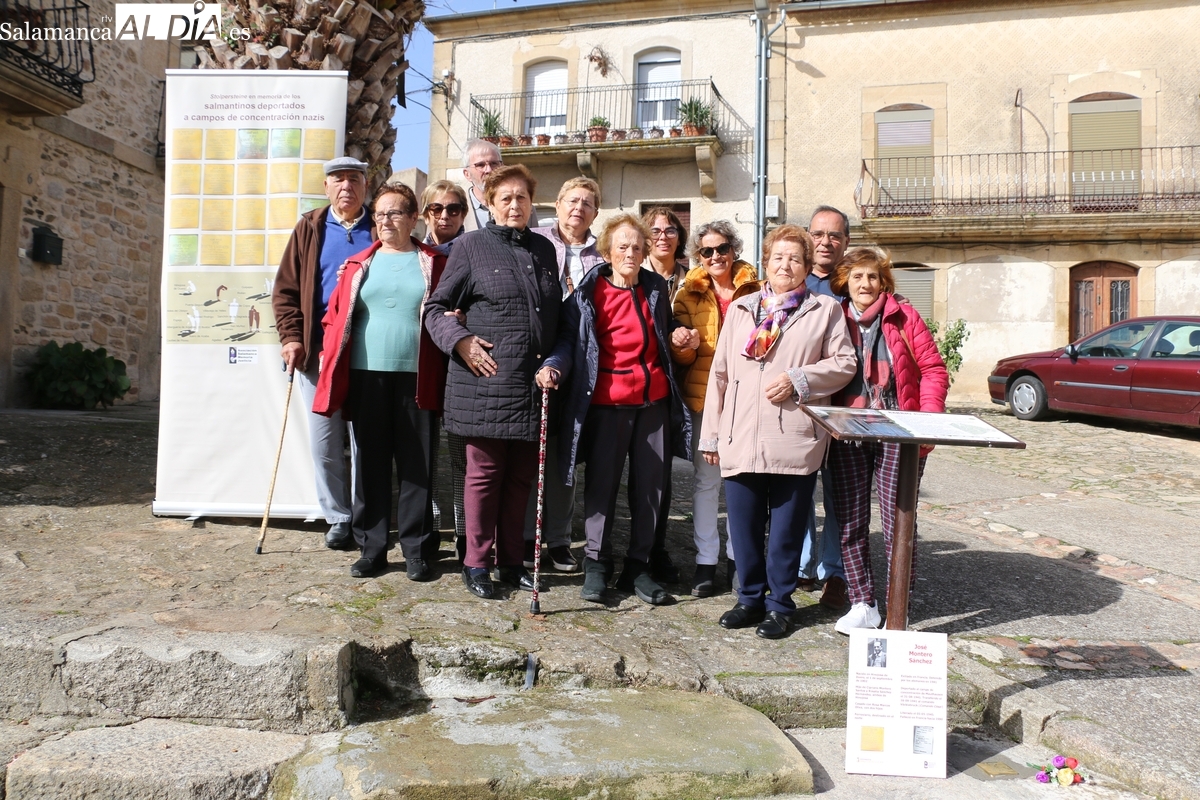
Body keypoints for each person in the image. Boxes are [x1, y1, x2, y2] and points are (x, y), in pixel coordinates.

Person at [698, 225, 856, 639]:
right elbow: (720, 375)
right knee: (743, 527)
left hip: (794, 438)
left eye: (795, 258)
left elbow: (844, 363)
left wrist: (798, 378)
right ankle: (749, 598)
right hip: (739, 434)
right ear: (765, 261)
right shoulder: (742, 308)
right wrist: (711, 434)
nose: (785, 265)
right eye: (778, 257)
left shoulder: (824, 310)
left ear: (806, 266)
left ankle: (780, 605)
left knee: (786, 532)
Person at [538, 214, 692, 606]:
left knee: (652, 487)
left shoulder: (655, 288)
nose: (631, 253)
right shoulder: (588, 294)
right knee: (602, 485)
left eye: (637, 247)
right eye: (622, 247)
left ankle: (638, 566)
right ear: (607, 252)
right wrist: (553, 366)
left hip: (653, 402)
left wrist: (677, 332)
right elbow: (569, 340)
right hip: (607, 403)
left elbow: (665, 328)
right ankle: (597, 564)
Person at [423, 164, 562, 600]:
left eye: (522, 197)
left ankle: (512, 562)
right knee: (483, 477)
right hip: (485, 384)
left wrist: (554, 361)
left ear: (531, 203)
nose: (515, 205)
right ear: (489, 203)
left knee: (521, 479)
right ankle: (476, 562)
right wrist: (461, 342)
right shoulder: (470, 246)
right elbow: (435, 309)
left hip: (531, 386)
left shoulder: (544, 249)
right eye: (506, 198)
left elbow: (553, 316)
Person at [312, 183, 448, 579]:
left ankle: (416, 550)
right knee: (370, 464)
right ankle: (371, 548)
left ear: (413, 218)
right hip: (365, 375)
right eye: (380, 214)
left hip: (418, 376)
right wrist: (327, 352)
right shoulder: (358, 264)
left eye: (394, 213)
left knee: (417, 465)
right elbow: (334, 314)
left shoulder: (434, 262)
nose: (385, 221)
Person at [828, 247, 948, 634]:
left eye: (873, 276)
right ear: (845, 281)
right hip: (848, 427)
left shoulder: (903, 315)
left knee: (899, 520)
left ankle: (899, 608)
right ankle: (862, 603)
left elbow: (932, 368)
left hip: (899, 425)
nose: (865, 283)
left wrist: (927, 422)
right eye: (857, 276)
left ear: (883, 282)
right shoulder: (833, 316)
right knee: (851, 518)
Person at [273, 156, 374, 549]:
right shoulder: (310, 227)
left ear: (365, 186)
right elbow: (285, 291)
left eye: (354, 179)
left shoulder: (379, 225)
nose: (346, 186)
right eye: (338, 179)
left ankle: (367, 516)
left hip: (368, 351)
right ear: (326, 187)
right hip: (319, 352)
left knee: (365, 440)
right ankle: (338, 517)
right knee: (324, 440)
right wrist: (291, 338)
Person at [670, 220, 759, 597]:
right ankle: (706, 562)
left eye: (722, 248)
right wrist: (684, 345)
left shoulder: (758, 290)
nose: (715, 256)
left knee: (742, 484)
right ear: (699, 256)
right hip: (704, 399)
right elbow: (680, 359)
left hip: (747, 401)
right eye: (707, 251)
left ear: (734, 249)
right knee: (706, 483)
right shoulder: (686, 295)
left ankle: (740, 561)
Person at [523, 177, 606, 574]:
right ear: (556, 205)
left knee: (564, 455)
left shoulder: (604, 254)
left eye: (587, 203)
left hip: (580, 364)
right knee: (530, 451)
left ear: (596, 212)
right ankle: (527, 536)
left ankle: (557, 539)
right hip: (534, 358)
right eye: (572, 200)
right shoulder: (535, 241)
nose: (578, 208)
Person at [797, 204, 853, 611]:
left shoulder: (856, 283)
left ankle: (835, 572)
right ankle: (801, 564)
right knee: (797, 489)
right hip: (799, 405)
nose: (825, 242)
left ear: (846, 241)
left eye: (834, 235)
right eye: (818, 234)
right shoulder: (793, 281)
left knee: (839, 495)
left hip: (845, 405)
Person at [419, 180, 470, 564]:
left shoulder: (475, 250)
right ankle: (430, 529)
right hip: (421, 362)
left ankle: (466, 534)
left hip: (461, 363)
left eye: (453, 208)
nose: (445, 216)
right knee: (424, 455)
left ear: (464, 214)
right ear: (425, 214)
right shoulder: (412, 253)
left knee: (461, 456)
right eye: (436, 208)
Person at [642, 206, 689, 301]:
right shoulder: (634, 278)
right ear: (645, 239)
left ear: (679, 239)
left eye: (670, 231)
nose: (663, 237)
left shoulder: (692, 280)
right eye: (655, 232)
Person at [460, 139, 503, 232]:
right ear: (467, 174)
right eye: (480, 165)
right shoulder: (454, 209)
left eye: (494, 163)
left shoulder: (524, 208)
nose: (489, 170)